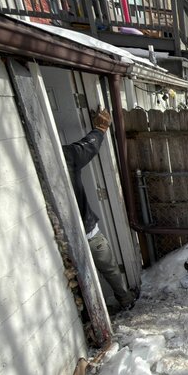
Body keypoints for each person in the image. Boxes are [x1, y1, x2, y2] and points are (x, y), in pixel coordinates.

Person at [63, 109, 136, 311]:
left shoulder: (62, 157)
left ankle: (120, 300)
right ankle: (123, 300)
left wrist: (99, 129)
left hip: (70, 238)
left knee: (102, 270)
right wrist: (100, 128)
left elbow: (87, 147)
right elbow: (89, 147)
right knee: (108, 269)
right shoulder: (65, 156)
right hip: (84, 233)